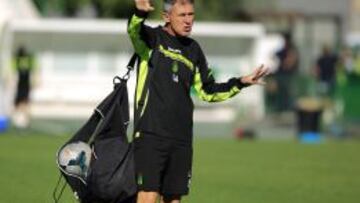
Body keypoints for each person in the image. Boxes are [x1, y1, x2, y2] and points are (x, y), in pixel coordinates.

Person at [128, 1, 268, 203]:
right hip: (151, 134)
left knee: (173, 199)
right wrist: (139, 13)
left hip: (181, 138)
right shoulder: (151, 39)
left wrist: (241, 82)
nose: (188, 21)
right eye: (182, 15)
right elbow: (133, 30)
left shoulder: (194, 50)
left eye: (191, 15)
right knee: (148, 197)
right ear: (167, 16)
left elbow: (208, 91)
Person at [273, 32, 299, 112]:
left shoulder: (291, 49)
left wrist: (287, 63)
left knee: (288, 93)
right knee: (282, 93)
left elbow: (291, 61)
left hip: (288, 75)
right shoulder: (284, 50)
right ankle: (283, 108)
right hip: (282, 74)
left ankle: (287, 109)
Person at [12, 46, 35, 129]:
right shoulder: (22, 61)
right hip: (22, 86)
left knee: (23, 104)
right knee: (21, 104)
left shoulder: (24, 61)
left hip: (23, 86)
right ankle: (20, 121)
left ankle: (24, 121)